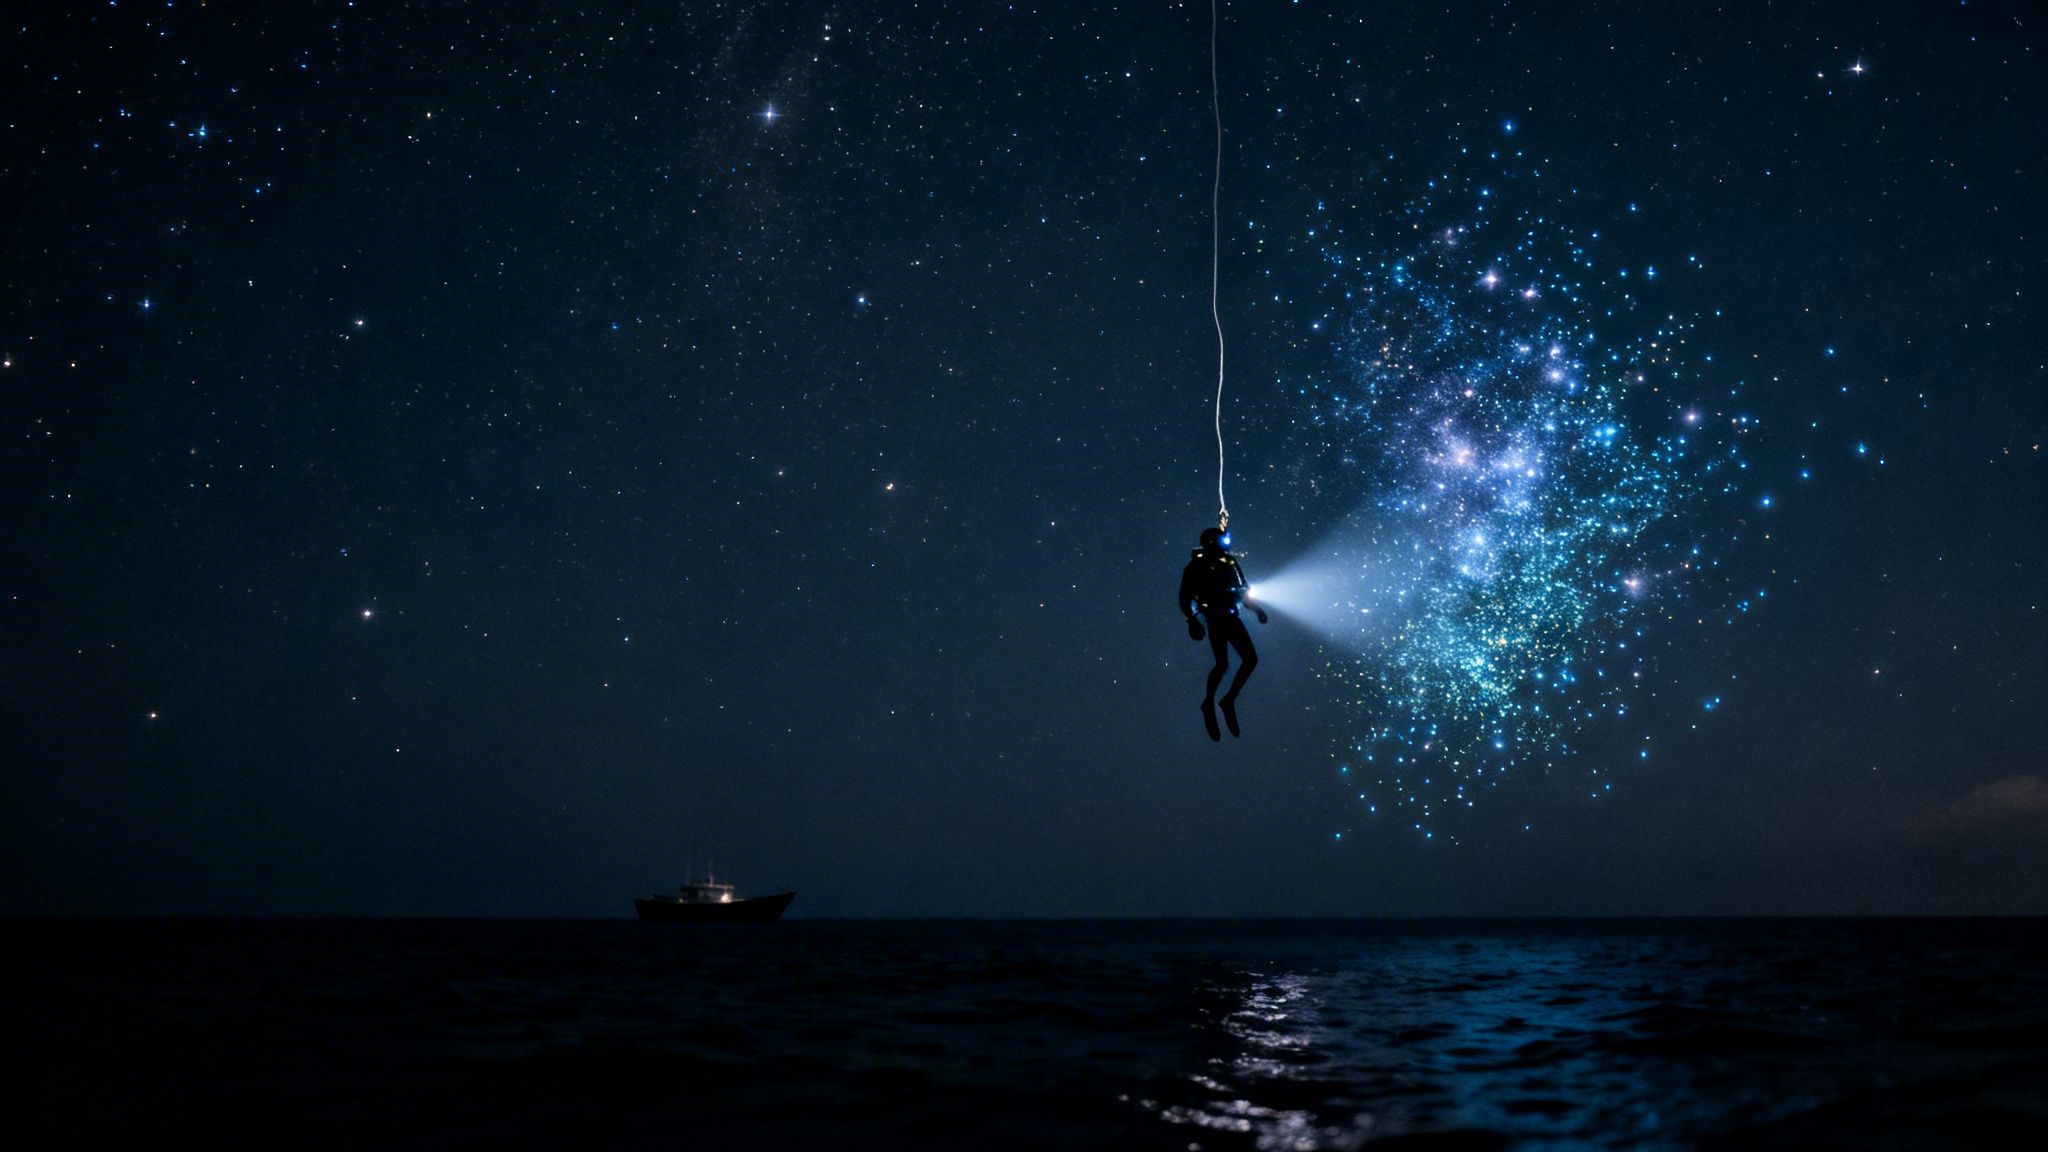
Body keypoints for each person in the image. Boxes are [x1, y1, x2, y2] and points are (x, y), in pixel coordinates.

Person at [1179, 525, 1267, 740]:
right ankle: (1209, 702)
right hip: (1215, 618)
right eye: (1220, 543)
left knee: (1249, 660)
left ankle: (1227, 700)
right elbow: (1184, 597)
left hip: (1230, 616)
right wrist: (1192, 621)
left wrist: (1257, 610)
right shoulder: (1195, 566)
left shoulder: (1230, 563)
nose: (1224, 547)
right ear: (1211, 543)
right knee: (1223, 664)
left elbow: (1243, 591)